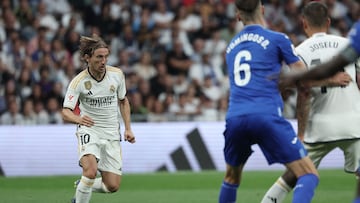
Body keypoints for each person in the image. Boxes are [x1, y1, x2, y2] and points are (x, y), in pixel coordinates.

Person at [218, 1, 319, 203]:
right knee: (308, 174)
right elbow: (303, 79)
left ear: (238, 16)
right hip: (265, 115)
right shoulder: (277, 39)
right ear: (262, 10)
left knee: (231, 178)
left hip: (235, 117)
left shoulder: (230, 47)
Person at [261, 2, 360, 203]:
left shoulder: (299, 52)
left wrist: (300, 132)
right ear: (329, 21)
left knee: (297, 172)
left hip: (318, 127)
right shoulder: (347, 44)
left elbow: (303, 94)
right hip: (354, 123)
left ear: (303, 22)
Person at [62, 35, 135, 203]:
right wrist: (78, 120)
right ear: (87, 58)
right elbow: (66, 111)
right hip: (89, 129)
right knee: (90, 171)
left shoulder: (117, 75)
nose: (104, 61)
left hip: (111, 133)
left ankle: (84, 185)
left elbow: (123, 101)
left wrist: (128, 128)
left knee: (112, 186)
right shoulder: (78, 82)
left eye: (106, 57)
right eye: (99, 57)